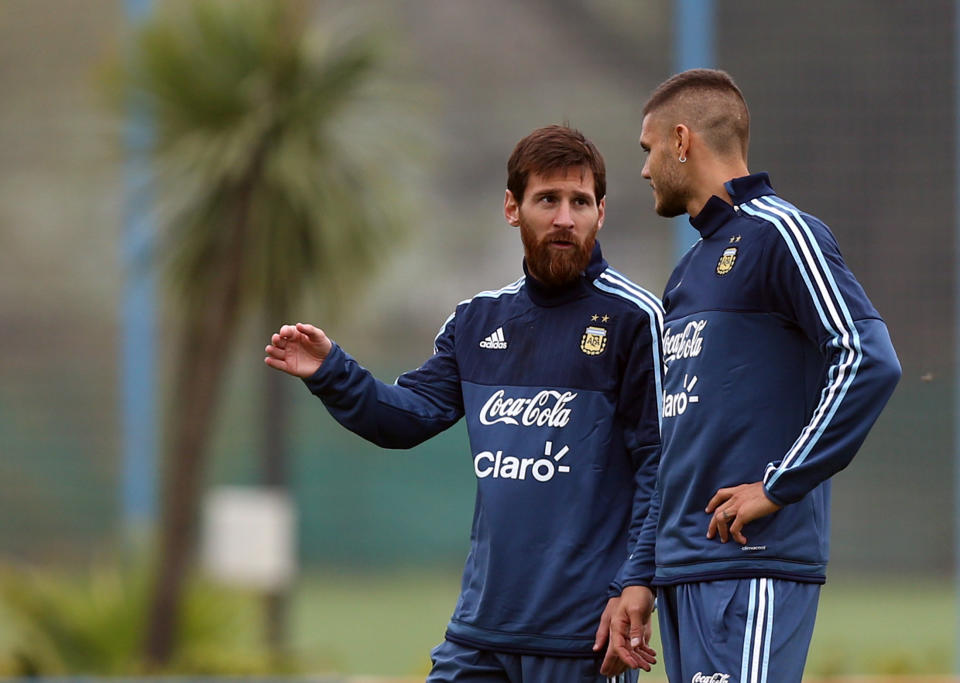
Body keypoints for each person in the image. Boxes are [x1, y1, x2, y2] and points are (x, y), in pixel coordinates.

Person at [265, 125, 662, 682]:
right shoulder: (478, 322)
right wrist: (333, 372)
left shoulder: (634, 320)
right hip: (480, 633)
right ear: (512, 208)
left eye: (580, 202)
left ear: (602, 211)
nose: (564, 219)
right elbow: (406, 417)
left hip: (584, 637)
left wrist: (635, 583)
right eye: (547, 199)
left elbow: (660, 468)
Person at [605, 69, 902, 683]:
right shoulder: (687, 272)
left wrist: (779, 483)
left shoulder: (782, 234)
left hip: (753, 566)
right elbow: (675, 439)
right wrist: (642, 572)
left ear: (681, 141)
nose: (643, 169)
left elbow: (867, 359)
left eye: (647, 149)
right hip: (685, 572)